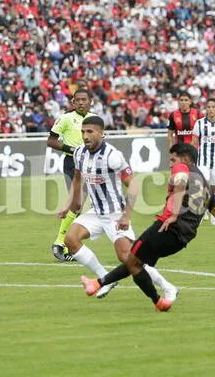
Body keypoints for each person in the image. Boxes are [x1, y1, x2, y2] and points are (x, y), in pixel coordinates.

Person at [81, 144, 215, 311]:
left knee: (133, 261)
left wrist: (174, 215)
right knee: (135, 261)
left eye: (173, 160)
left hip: (167, 227)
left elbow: (179, 183)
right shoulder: (205, 186)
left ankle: (157, 301)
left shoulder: (181, 168)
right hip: (182, 238)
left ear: (185, 159)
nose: (170, 164)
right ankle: (97, 283)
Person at [60, 116, 176, 299]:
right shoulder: (79, 153)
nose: (85, 136)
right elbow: (77, 179)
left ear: (101, 133)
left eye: (90, 131)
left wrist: (126, 216)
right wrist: (70, 204)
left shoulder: (112, 156)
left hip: (115, 213)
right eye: (83, 132)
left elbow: (134, 184)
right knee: (70, 239)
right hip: (96, 212)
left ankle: (167, 286)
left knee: (127, 257)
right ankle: (105, 278)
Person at [47, 88, 96, 262]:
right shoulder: (66, 118)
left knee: (78, 206)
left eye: (84, 99)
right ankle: (61, 243)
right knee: (77, 203)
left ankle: (67, 244)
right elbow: (51, 141)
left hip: (90, 164)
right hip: (72, 163)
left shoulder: (94, 118)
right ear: (73, 102)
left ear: (90, 101)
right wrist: (72, 150)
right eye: (78, 100)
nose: (81, 102)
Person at [192, 98, 215, 225]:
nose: (211, 109)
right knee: (203, 185)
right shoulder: (199, 123)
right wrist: (192, 160)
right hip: (202, 161)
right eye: (208, 107)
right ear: (206, 109)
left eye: (213, 106)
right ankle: (200, 215)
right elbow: (194, 142)